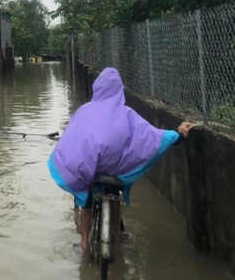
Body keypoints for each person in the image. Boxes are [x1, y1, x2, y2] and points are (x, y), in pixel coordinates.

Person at [47, 67, 194, 252]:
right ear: (119, 89)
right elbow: (151, 137)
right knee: (115, 195)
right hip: (115, 170)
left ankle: (84, 243)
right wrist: (178, 135)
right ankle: (116, 237)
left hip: (88, 170)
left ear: (97, 88)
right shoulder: (127, 113)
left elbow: (71, 139)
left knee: (84, 198)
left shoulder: (84, 111)